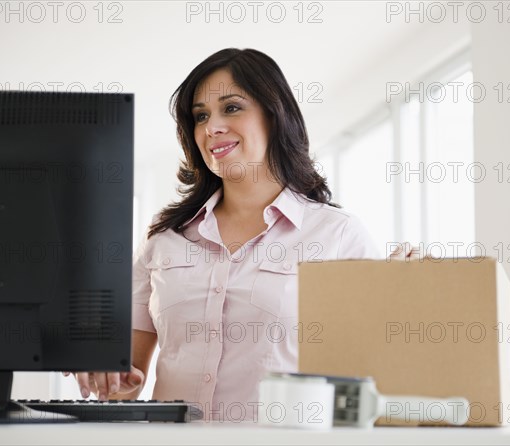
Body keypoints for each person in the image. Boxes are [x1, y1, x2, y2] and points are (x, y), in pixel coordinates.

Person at [66, 48, 414, 421]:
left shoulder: (337, 235)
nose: (212, 127)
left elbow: (368, 371)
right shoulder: (163, 238)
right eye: (200, 116)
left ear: (274, 115)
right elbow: (126, 383)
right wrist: (107, 375)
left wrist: (401, 297)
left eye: (231, 108)